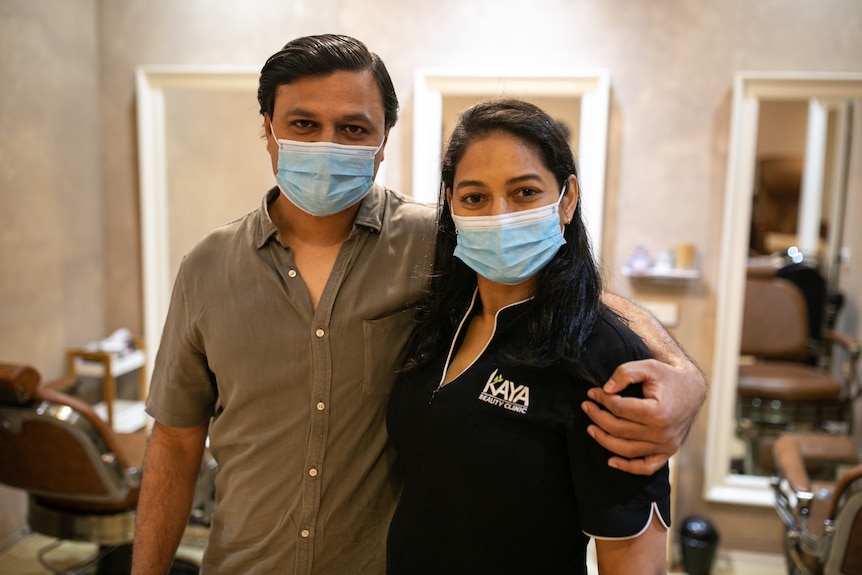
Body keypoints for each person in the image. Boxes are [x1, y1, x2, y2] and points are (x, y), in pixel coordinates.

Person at [131, 34, 702, 575]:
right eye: (304, 124)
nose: (329, 144)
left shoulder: (439, 240)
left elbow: (562, 290)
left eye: (354, 128)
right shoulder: (206, 267)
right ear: (268, 129)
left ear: (383, 145)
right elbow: (176, 442)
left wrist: (683, 376)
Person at [386, 98, 669, 574]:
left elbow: (635, 563)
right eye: (475, 197)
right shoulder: (436, 324)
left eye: (524, 193)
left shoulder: (604, 356)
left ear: (567, 199)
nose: (499, 215)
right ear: (452, 209)